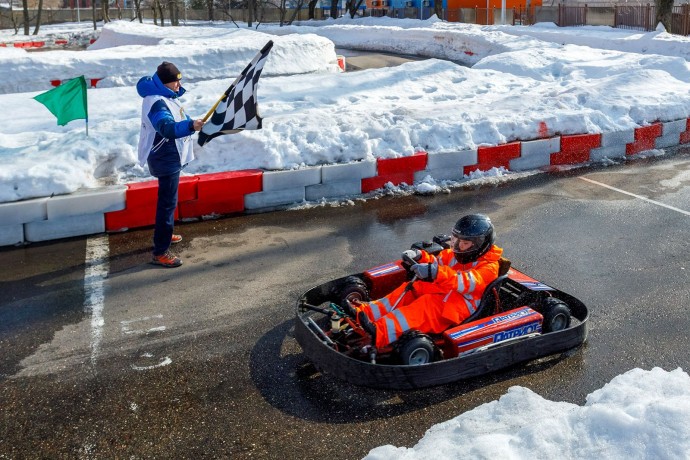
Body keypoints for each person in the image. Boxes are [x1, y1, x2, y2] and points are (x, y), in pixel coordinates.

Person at [348, 214, 504, 349]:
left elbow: (465, 282)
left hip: (459, 306)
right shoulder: (455, 254)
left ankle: (379, 331)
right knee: (412, 288)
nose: (457, 246)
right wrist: (420, 256)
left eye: (464, 243)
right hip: (445, 292)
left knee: (424, 307)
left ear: (479, 245)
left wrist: (436, 273)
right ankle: (366, 313)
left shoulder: (489, 267)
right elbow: (437, 262)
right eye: (456, 240)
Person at [137, 62, 204, 268]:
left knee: (168, 201)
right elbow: (166, 128)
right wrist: (191, 126)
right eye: (176, 80)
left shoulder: (165, 97)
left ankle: (165, 234)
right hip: (164, 158)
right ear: (165, 83)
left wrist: (193, 123)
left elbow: (179, 117)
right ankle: (160, 251)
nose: (179, 83)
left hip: (169, 156)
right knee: (167, 203)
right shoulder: (157, 102)